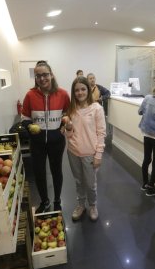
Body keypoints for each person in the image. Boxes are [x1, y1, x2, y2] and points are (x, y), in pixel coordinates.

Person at [21, 61, 70, 213]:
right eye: (38, 75)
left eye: (45, 74)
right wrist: (29, 126)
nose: (42, 78)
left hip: (57, 142)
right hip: (37, 143)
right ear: (35, 77)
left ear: (51, 75)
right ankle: (44, 201)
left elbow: (68, 113)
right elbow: (24, 116)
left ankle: (57, 200)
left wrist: (64, 124)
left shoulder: (62, 94)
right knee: (39, 173)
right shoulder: (30, 95)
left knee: (57, 172)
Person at [63, 76, 106, 221]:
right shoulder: (71, 109)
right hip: (73, 152)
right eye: (76, 90)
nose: (80, 92)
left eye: (83, 89)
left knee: (90, 183)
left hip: (90, 153)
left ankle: (92, 205)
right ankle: (81, 204)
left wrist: (98, 155)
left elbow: (101, 133)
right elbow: (68, 135)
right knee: (78, 181)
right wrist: (68, 128)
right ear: (73, 92)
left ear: (88, 89)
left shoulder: (97, 109)